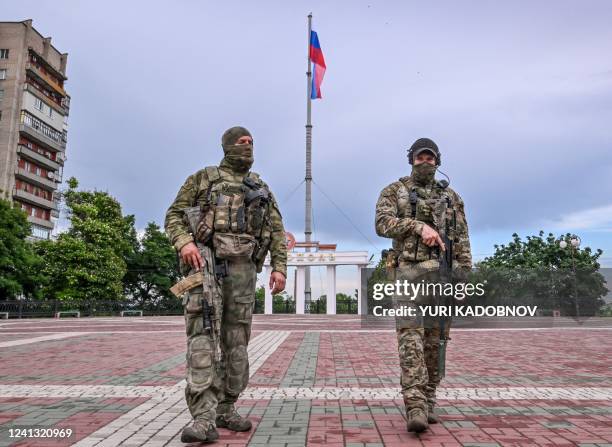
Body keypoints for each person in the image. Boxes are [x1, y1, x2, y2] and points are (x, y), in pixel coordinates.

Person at [165, 126, 287, 443]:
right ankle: (203, 418)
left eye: (251, 142)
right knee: (202, 338)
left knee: (237, 344)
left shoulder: (259, 186)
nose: (247, 147)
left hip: (243, 271)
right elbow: (175, 215)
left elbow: (276, 229)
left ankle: (226, 407)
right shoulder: (203, 178)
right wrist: (185, 244)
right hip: (204, 266)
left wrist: (280, 268)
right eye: (241, 143)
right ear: (226, 146)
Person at [375, 138, 472, 433]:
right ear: (411, 159)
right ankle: (414, 405)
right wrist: (418, 226)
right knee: (411, 342)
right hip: (409, 275)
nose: (425, 162)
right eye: (420, 158)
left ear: (438, 161)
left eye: (430, 158)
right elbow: (382, 223)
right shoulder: (395, 191)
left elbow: (463, 239)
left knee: (435, 343)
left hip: (442, 279)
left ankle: (429, 399)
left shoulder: (452, 198)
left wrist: (463, 279)